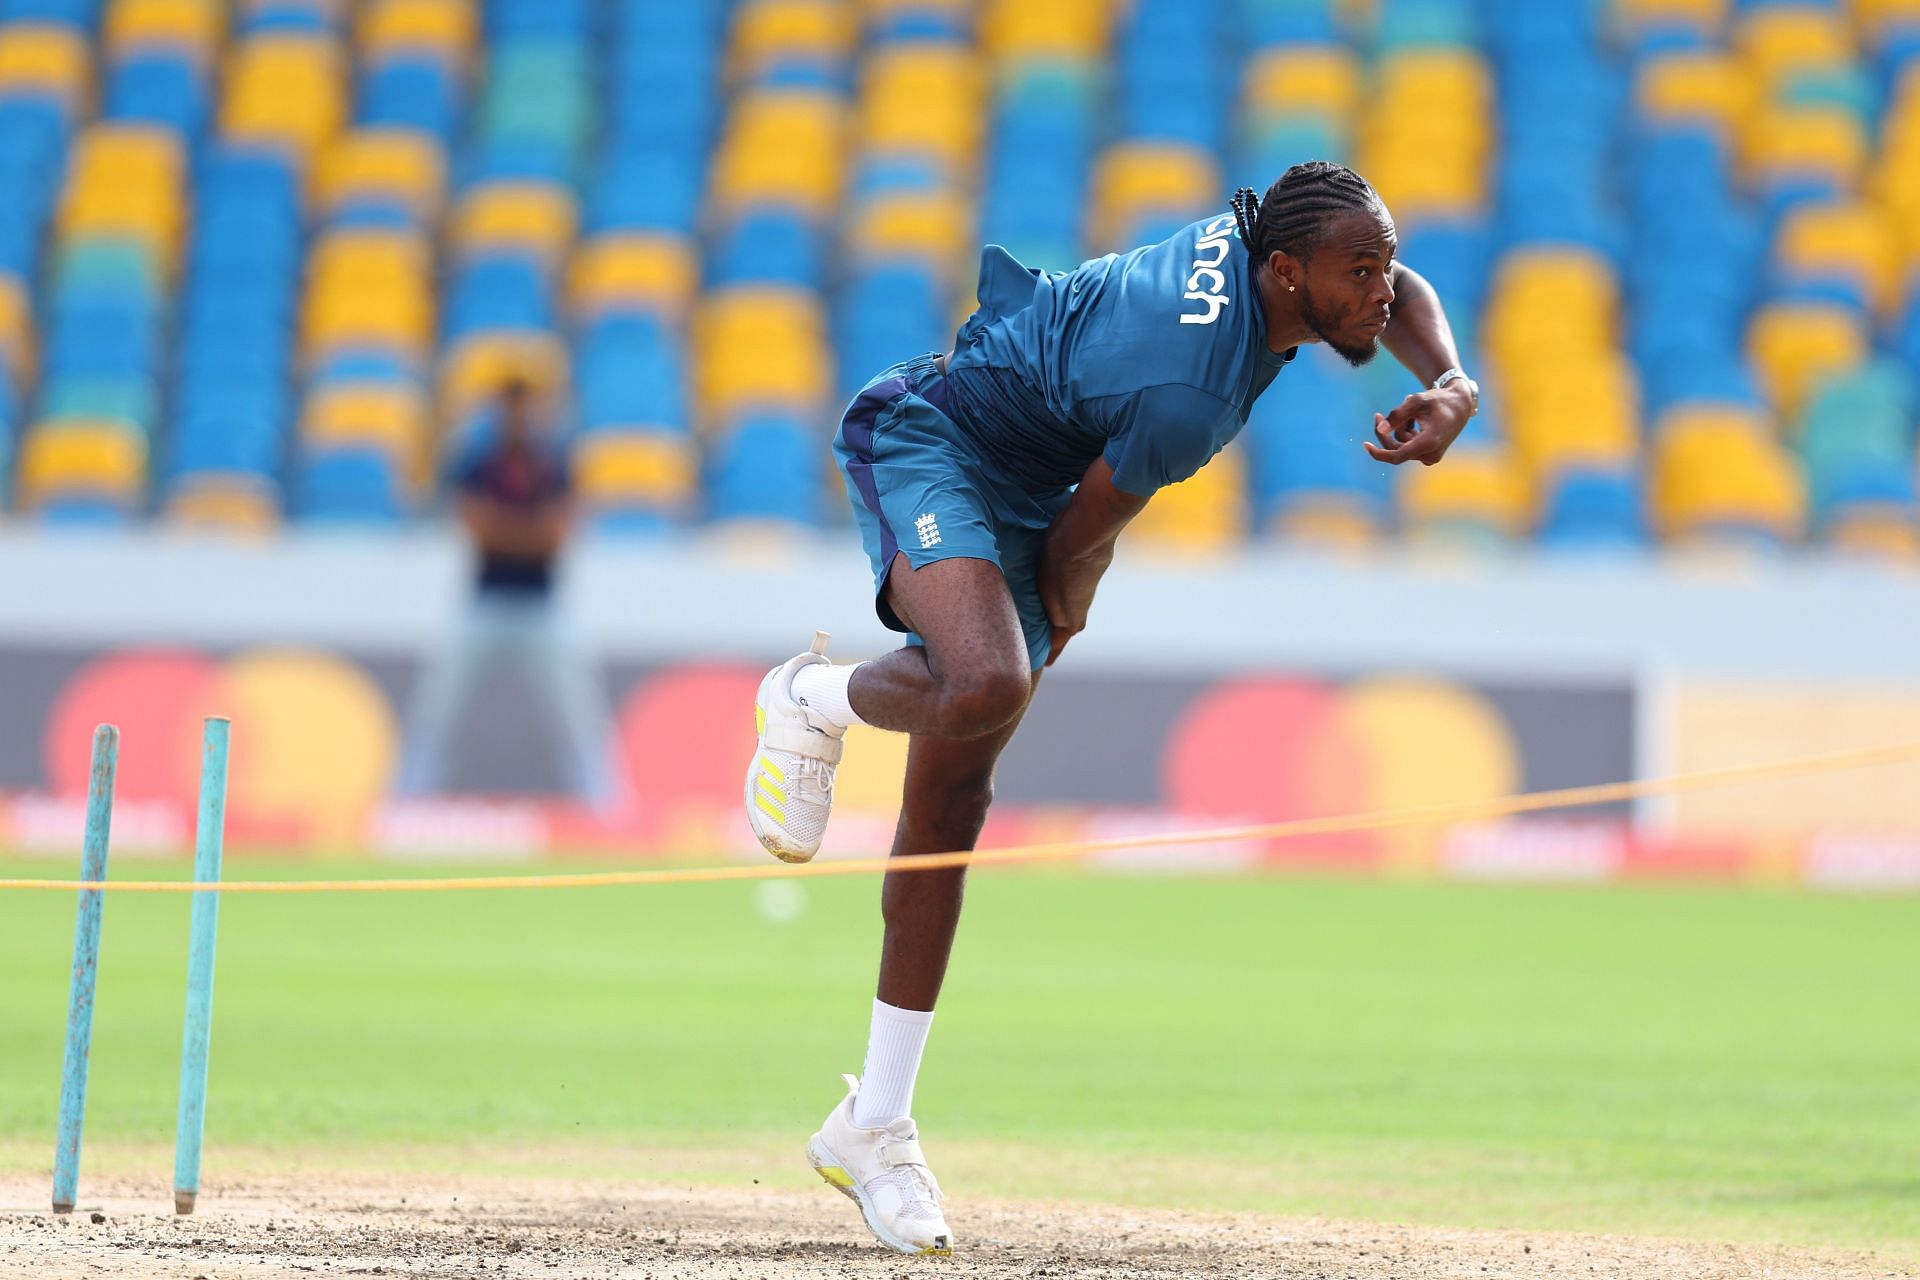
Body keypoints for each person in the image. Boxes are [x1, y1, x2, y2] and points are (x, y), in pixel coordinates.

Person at [745, 162, 1479, 1255]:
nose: (1382, 290)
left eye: (1379, 265)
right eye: (1357, 272)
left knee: (951, 808)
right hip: (938, 438)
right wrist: (1065, 606)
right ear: (1287, 274)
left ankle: (876, 1125)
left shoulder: (1279, 262)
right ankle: (807, 696)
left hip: (1040, 472)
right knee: (987, 679)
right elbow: (1088, 532)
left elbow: (1405, 285)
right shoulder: (1194, 388)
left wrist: (1455, 380)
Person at [398, 376, 625, 809]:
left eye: (524, 409)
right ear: (499, 413)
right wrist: (527, 531)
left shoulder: (552, 465)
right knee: (437, 709)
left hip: (542, 607)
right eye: (510, 409)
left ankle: (609, 809)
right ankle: (405, 805)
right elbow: (481, 528)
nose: (518, 419)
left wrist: (504, 528)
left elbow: (552, 535)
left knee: (580, 717)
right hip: (485, 604)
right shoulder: (478, 464)